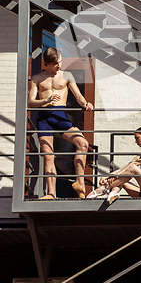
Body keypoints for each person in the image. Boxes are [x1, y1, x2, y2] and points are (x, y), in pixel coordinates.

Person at [28, 47, 94, 199]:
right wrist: (46, 100)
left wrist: (85, 104)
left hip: (61, 116)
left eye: (60, 62)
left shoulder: (66, 75)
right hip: (44, 117)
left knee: (82, 143)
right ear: (47, 63)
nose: (59, 65)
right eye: (56, 63)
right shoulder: (37, 78)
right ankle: (52, 193)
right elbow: (31, 102)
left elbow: (78, 95)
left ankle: (80, 183)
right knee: (48, 156)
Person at [87, 127, 141, 204]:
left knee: (132, 168)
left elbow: (133, 165)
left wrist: (115, 175)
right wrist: (107, 176)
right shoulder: (140, 156)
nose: (135, 141)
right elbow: (125, 168)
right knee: (123, 179)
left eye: (137, 138)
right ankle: (113, 193)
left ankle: (100, 190)